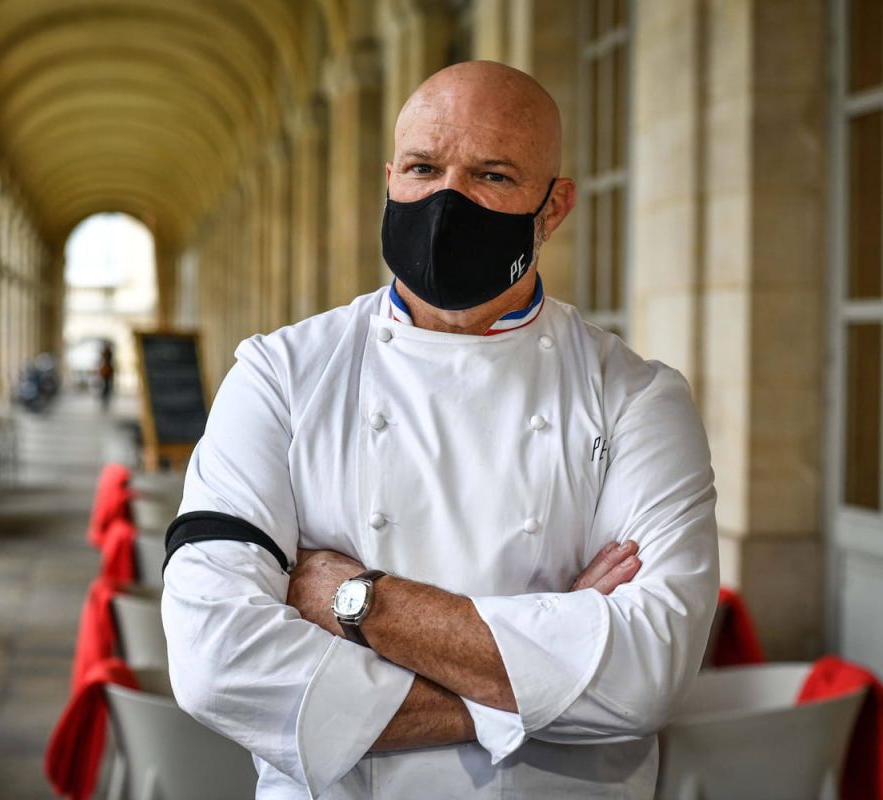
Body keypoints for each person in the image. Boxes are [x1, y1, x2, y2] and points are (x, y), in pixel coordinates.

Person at [160, 61, 718, 798]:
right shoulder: (279, 376)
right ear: (390, 179)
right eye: (424, 169)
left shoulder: (638, 399)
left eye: (492, 175)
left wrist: (351, 598)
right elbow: (214, 660)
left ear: (553, 210)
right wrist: (529, 687)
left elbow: (647, 672)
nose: (447, 202)